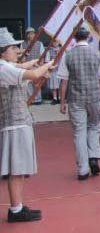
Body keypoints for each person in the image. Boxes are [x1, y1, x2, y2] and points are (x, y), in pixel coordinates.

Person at [0, 29, 54, 222]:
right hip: (14, 125)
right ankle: (15, 209)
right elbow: (30, 73)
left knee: (20, 168)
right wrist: (46, 64)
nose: (17, 50)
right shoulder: (3, 68)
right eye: (13, 47)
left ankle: (18, 206)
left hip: (18, 123)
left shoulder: (7, 66)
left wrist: (37, 65)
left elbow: (25, 67)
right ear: (3, 52)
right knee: (16, 169)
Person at [58, 25, 100, 180]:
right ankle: (93, 156)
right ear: (88, 37)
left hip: (75, 98)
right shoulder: (97, 55)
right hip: (94, 97)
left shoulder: (68, 56)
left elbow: (64, 83)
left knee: (79, 132)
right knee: (94, 127)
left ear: (74, 38)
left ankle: (83, 168)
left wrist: (62, 102)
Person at [20, 27, 44, 105]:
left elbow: (42, 55)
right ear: (27, 35)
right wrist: (23, 64)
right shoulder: (23, 44)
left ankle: (38, 99)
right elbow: (21, 56)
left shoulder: (39, 43)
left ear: (35, 34)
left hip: (37, 66)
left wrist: (41, 66)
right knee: (28, 83)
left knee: (37, 83)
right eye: (29, 34)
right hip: (27, 67)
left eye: (32, 33)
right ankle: (31, 99)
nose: (31, 35)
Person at [45, 39, 61, 105]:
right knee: (54, 85)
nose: (55, 43)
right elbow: (47, 60)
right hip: (53, 70)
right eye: (54, 42)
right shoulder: (49, 51)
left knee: (59, 85)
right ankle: (54, 98)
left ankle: (59, 98)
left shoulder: (62, 49)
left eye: (56, 42)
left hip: (60, 70)